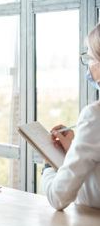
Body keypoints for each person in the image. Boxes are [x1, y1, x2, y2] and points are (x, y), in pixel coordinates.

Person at [39, 23, 100, 211]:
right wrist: (75, 148)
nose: (89, 65)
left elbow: (58, 197)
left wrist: (49, 166)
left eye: (90, 57)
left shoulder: (94, 115)